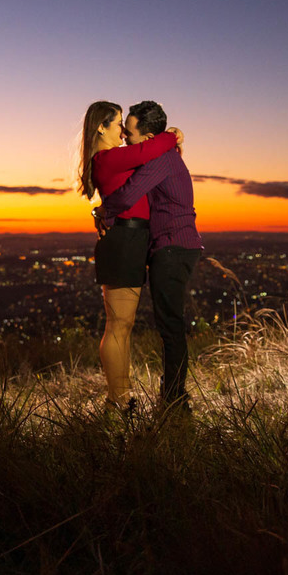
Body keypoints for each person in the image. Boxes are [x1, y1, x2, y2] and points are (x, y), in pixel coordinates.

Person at [94, 100, 203, 412]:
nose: (127, 139)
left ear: (148, 137)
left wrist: (102, 211)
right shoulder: (164, 155)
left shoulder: (160, 160)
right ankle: (173, 396)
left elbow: (128, 194)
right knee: (168, 324)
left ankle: (174, 399)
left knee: (170, 325)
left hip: (172, 247)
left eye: (130, 133)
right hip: (170, 246)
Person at [76, 101, 182, 409]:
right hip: (124, 240)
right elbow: (148, 151)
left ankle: (120, 401)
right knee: (119, 326)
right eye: (118, 123)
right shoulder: (107, 158)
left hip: (131, 239)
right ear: (101, 127)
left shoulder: (113, 159)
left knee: (124, 325)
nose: (123, 130)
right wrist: (173, 134)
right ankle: (118, 403)